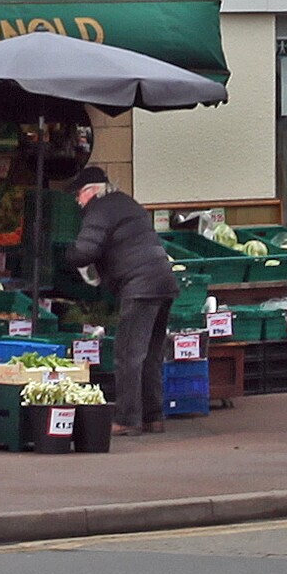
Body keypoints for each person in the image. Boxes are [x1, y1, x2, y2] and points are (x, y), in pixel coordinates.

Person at [62, 165, 180, 437]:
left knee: (128, 355)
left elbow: (85, 250)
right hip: (163, 281)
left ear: (90, 192)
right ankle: (153, 417)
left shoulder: (99, 210)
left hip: (140, 287)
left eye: (78, 196)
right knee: (150, 354)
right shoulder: (128, 203)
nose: (78, 202)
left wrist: (68, 254)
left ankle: (127, 419)